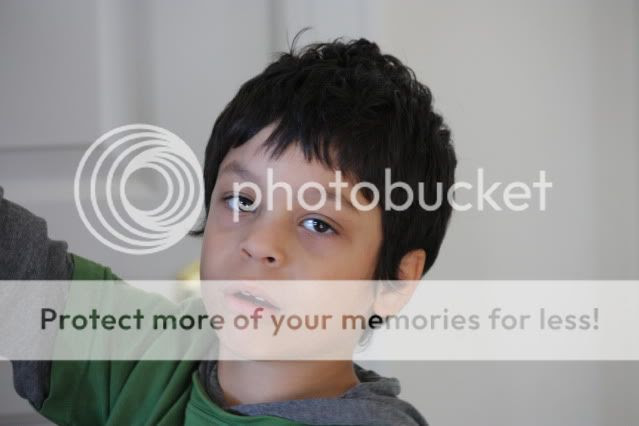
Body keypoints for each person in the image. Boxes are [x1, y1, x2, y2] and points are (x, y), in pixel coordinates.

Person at [1, 35, 456, 425]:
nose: (259, 242)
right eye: (242, 201)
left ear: (394, 282)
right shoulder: (149, 356)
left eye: (318, 223)